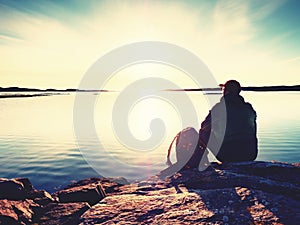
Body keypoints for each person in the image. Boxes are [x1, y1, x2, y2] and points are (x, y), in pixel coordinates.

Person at [190, 80, 258, 166]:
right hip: (250, 154)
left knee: (203, 132)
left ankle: (198, 162)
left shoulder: (219, 108)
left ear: (226, 91)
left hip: (228, 156)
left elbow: (204, 127)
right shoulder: (249, 108)